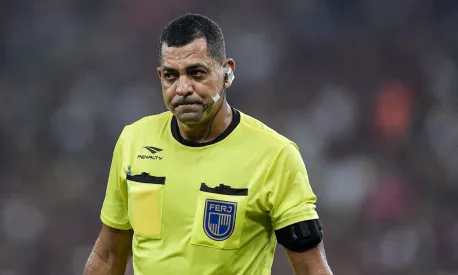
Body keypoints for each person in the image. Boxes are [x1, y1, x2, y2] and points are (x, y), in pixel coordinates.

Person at [83, 13, 332, 275]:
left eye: (196, 73)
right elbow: (109, 255)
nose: (182, 88)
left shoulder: (275, 156)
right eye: (171, 76)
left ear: (227, 72)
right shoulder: (134, 141)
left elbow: (312, 269)